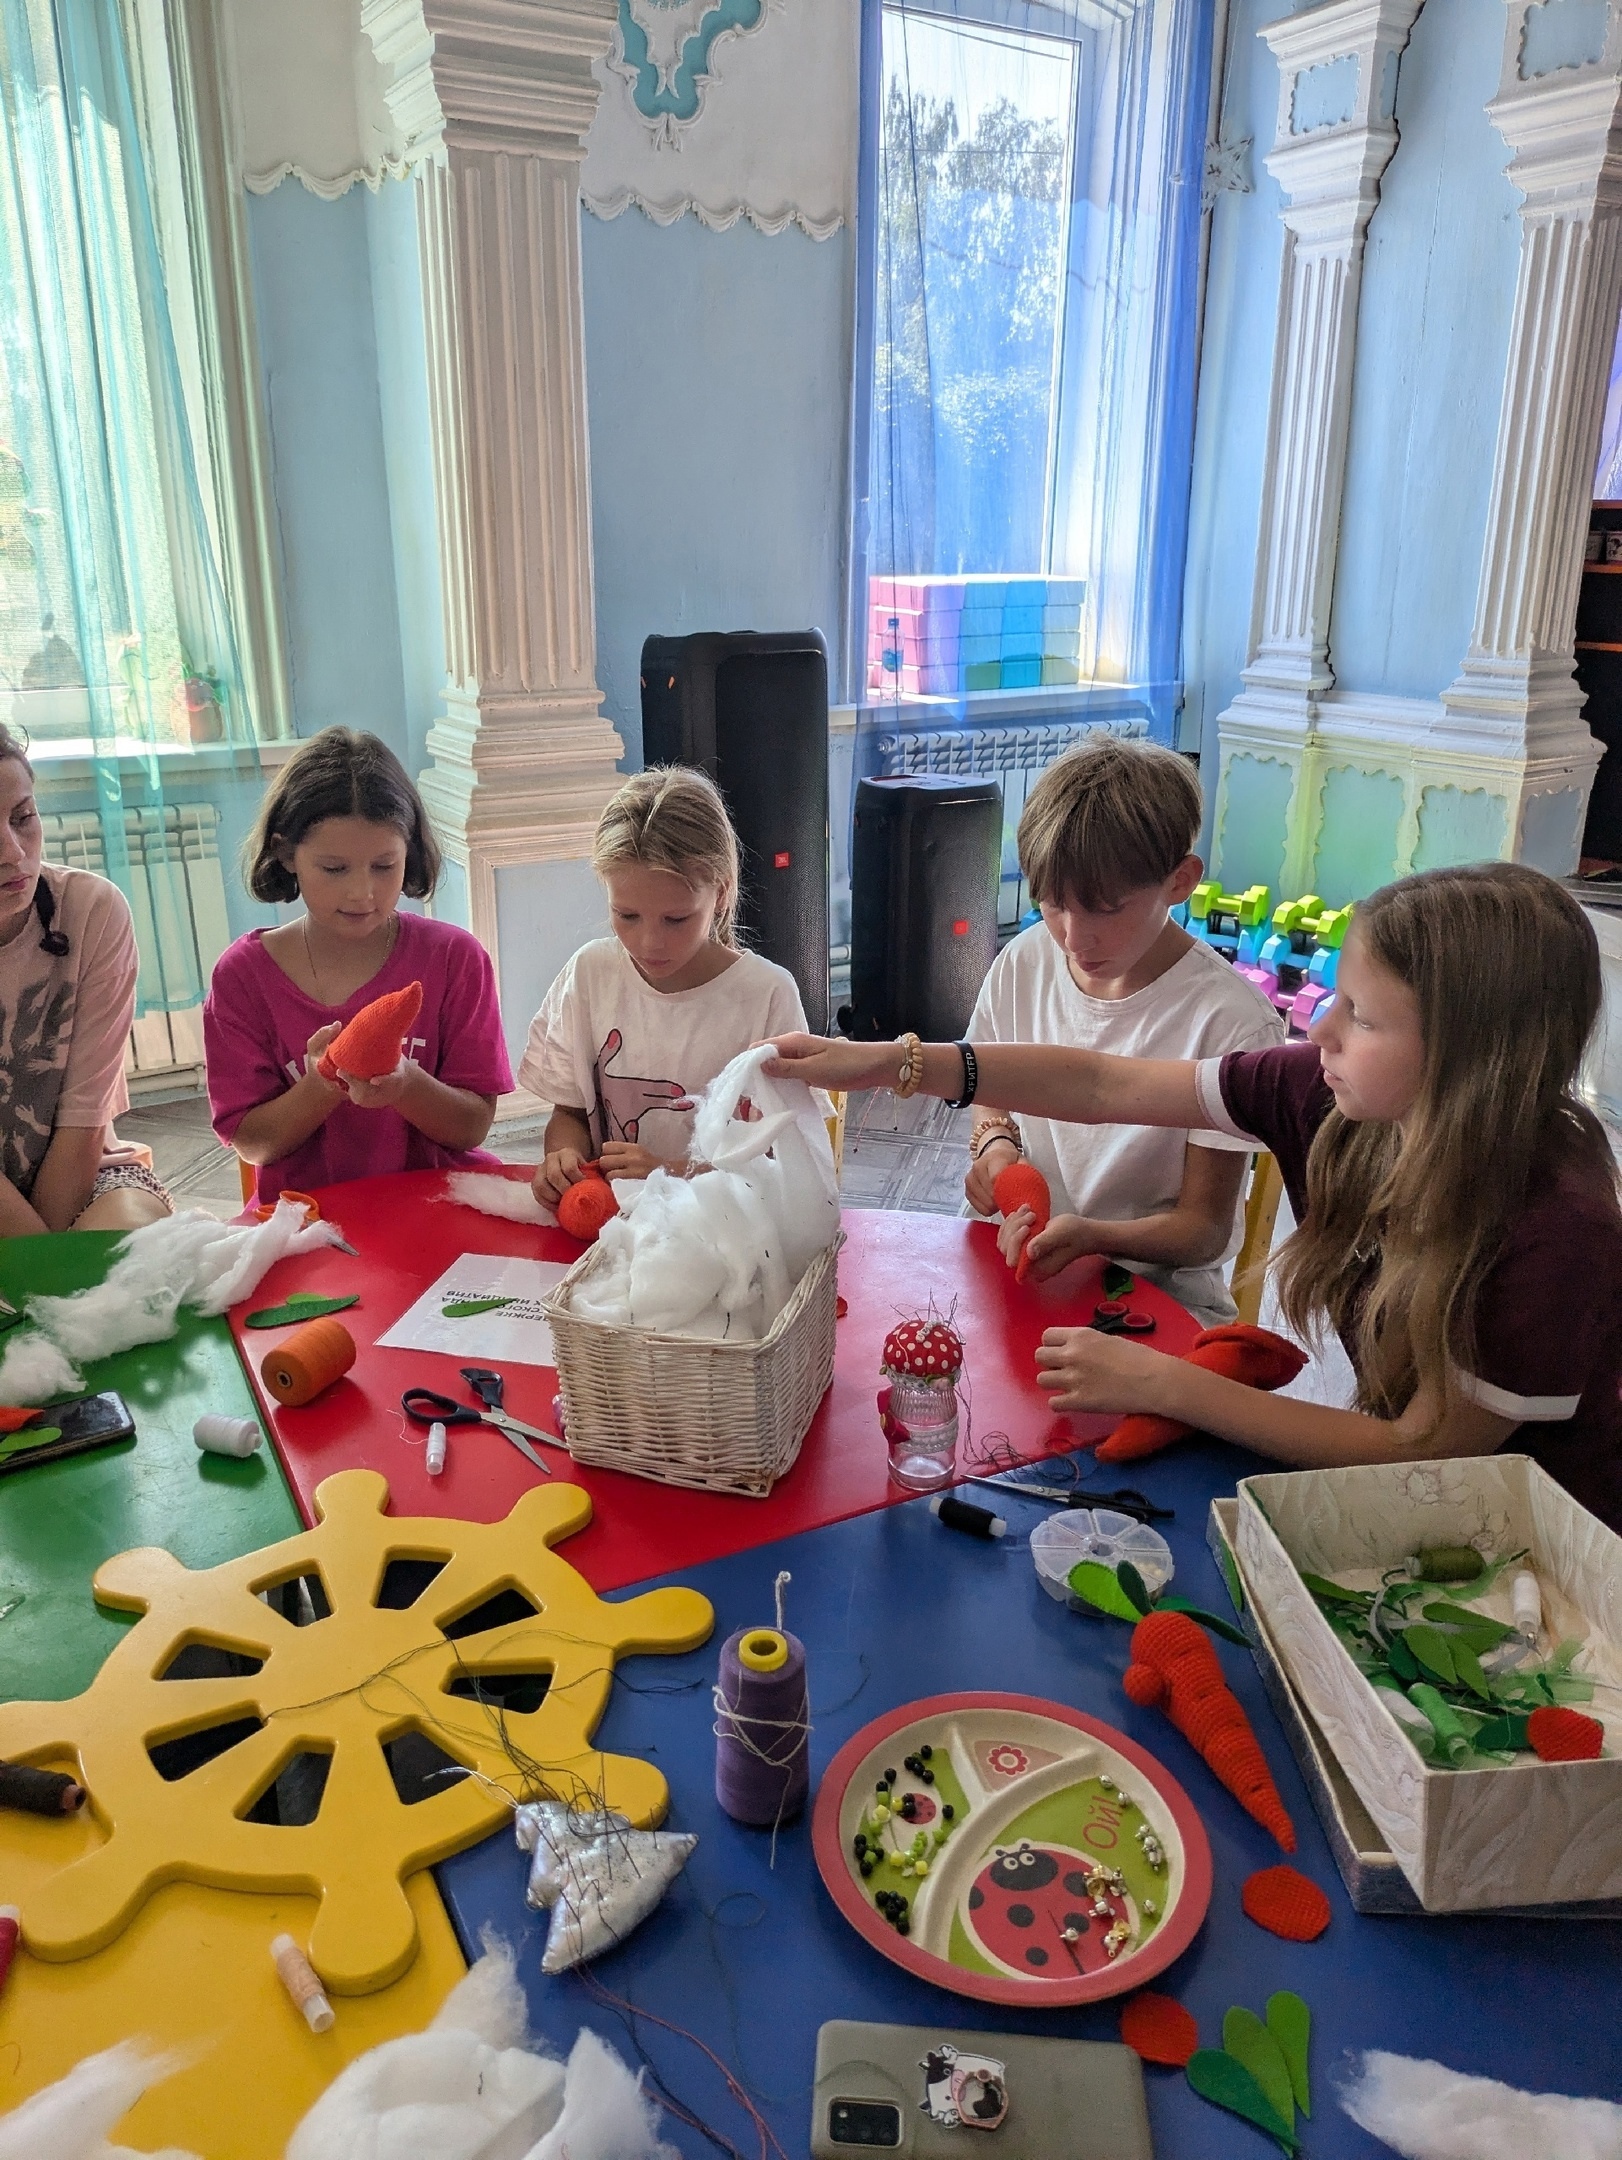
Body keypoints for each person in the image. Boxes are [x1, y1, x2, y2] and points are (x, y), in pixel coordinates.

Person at [766, 863, 1622, 1530]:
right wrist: (894, 1063)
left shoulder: (1557, 1235)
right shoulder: (1323, 1094)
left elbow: (1422, 1452)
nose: (1321, 1028)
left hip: (1542, 1547)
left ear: (1472, 1058)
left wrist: (1168, 1384)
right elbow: (1103, 1084)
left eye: (1363, 1017)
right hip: (1417, 1503)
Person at [964, 738, 1282, 1327]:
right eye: (1053, 905)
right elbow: (988, 1086)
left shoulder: (1231, 1022)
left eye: (1106, 909)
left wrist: (1093, 1237)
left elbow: (1205, 1230)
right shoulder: (1024, 961)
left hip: (1158, 1299)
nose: (1073, 938)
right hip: (1021, 1270)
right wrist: (996, 1148)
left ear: (1180, 881)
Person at [205, 728, 511, 1204]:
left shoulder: (455, 958)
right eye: (334, 869)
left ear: (409, 852)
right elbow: (254, 1143)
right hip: (308, 1217)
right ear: (286, 854)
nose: (361, 893)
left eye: (384, 866)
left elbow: (471, 1127)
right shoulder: (242, 977)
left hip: (439, 1205)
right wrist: (322, 1083)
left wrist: (405, 1085)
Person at [525, 766, 808, 1206]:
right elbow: (570, 1113)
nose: (649, 943)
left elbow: (786, 1160)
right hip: (614, 1226)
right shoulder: (589, 974)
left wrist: (671, 1172)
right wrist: (563, 1159)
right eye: (627, 915)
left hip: (726, 1229)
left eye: (676, 919)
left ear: (720, 893)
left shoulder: (767, 995)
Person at [0, 723, 172, 1234]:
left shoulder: (92, 910)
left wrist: (55, 1262)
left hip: (85, 1172)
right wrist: (49, 1268)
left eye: (23, 818)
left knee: (134, 1241)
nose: (13, 854)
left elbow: (84, 1124)